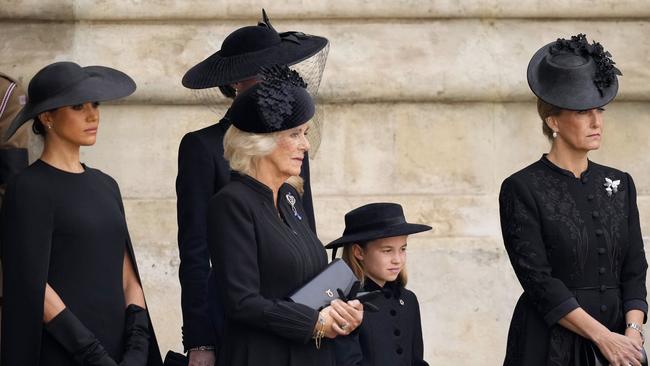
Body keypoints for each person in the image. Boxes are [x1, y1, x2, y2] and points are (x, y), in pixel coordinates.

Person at [176, 11, 328, 365]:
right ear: (235, 83)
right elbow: (195, 250)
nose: (273, 81)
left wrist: (324, 308)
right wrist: (200, 339)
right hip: (237, 316)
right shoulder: (202, 147)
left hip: (300, 320)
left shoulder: (291, 145)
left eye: (277, 69)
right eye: (261, 72)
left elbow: (307, 231)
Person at [0, 61, 162, 366]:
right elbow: (31, 285)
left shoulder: (106, 185)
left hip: (119, 351)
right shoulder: (28, 188)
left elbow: (128, 275)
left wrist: (137, 349)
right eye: (77, 106)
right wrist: (91, 354)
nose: (93, 114)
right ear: (47, 116)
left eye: (95, 104)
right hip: (63, 352)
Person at [500, 34, 648, 366]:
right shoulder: (521, 188)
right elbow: (539, 281)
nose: (597, 121)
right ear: (553, 121)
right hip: (551, 346)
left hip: (622, 345)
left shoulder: (620, 183)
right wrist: (603, 337)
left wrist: (632, 335)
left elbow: (635, 270)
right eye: (583, 112)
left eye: (600, 110)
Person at [207, 66, 363, 366]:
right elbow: (241, 302)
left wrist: (344, 311)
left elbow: (309, 280)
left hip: (312, 354)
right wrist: (315, 324)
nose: (305, 145)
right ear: (260, 142)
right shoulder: (231, 204)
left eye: (305, 133)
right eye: (295, 134)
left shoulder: (291, 197)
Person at [325, 202, 431, 366]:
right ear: (358, 252)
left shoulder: (408, 300)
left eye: (403, 249)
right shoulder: (345, 305)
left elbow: (416, 360)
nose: (397, 259)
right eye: (387, 250)